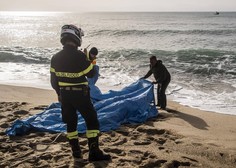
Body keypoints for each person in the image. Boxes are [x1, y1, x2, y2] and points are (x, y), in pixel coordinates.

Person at [50, 24, 111, 161]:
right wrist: (88, 59)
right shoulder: (80, 56)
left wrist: (59, 94)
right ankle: (94, 152)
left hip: (64, 95)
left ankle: (76, 152)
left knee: (71, 123)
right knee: (92, 120)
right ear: (76, 36)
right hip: (80, 94)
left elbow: (53, 81)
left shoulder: (55, 58)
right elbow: (90, 74)